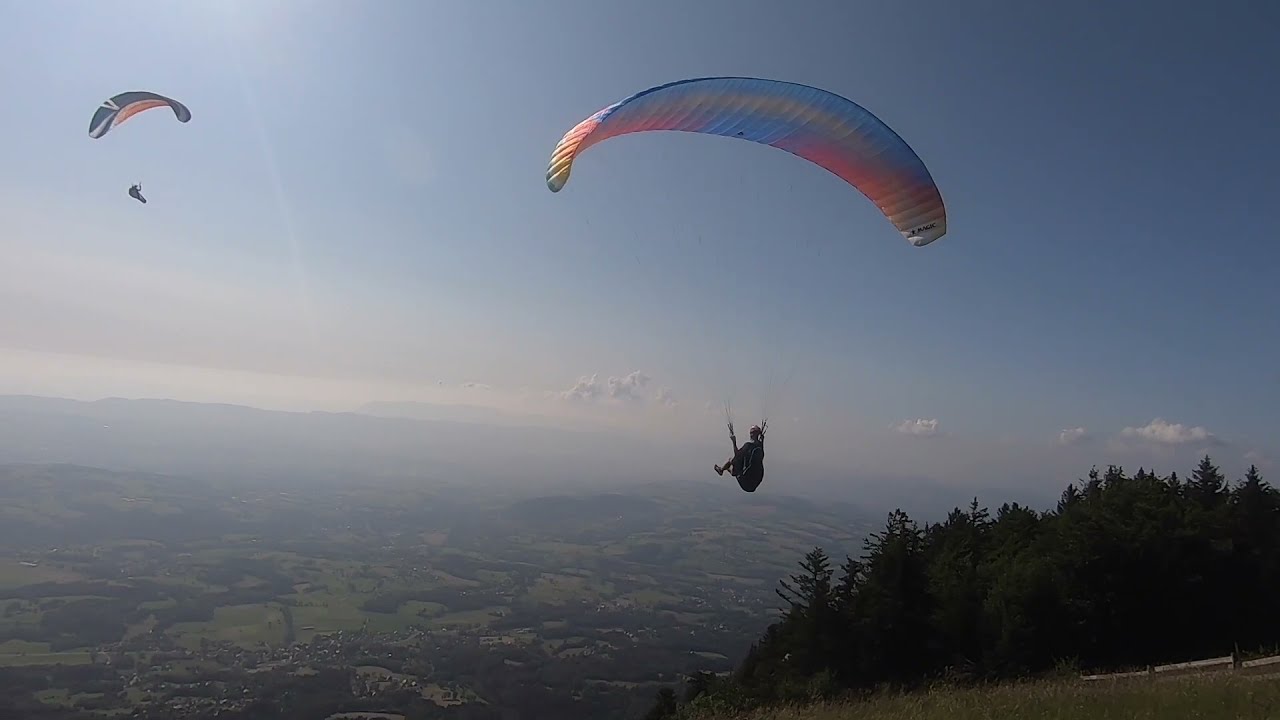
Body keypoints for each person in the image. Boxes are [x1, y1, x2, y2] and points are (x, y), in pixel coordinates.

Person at [715, 422, 765, 492]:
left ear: (751, 434)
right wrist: (762, 440)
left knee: (732, 460)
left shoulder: (748, 446)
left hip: (746, 483)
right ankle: (726, 470)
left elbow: (737, 456)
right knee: (737, 462)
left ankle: (723, 470)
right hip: (755, 483)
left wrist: (734, 442)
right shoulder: (759, 447)